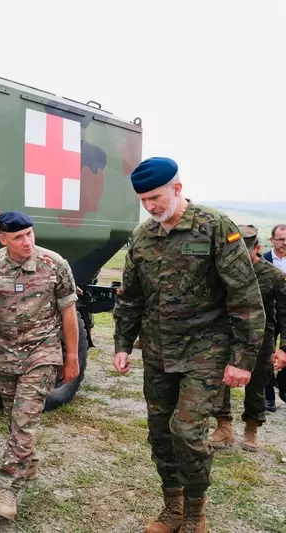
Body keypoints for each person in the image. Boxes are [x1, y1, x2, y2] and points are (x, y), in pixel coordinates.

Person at [112, 157, 265, 533]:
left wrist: (242, 359)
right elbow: (130, 296)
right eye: (143, 200)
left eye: (156, 197)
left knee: (186, 430)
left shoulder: (214, 227)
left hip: (205, 349)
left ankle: (196, 511)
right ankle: (172, 509)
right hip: (158, 350)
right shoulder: (143, 236)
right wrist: (121, 342)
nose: (150, 206)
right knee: (160, 431)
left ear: (177, 189)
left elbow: (244, 295)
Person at [0, 210, 80, 521]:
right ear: (3, 239)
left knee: (24, 419)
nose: (27, 241)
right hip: (4, 353)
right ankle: (28, 461)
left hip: (43, 353)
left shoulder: (54, 264)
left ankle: (7, 487)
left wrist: (72, 356)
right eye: (18, 237)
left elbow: (69, 312)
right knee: (13, 416)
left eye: (30, 234)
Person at [208, 225, 285, 452]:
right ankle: (224, 427)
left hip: (261, 340)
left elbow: (285, 314)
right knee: (220, 382)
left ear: (258, 248)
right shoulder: (223, 273)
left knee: (257, 385)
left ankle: (252, 428)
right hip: (225, 336)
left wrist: (284, 348)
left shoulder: (274, 276)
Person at [263, 223, 286, 411]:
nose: (284, 243)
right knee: (267, 355)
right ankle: (268, 397)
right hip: (269, 316)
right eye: (280, 239)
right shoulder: (264, 260)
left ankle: (284, 389)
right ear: (272, 240)